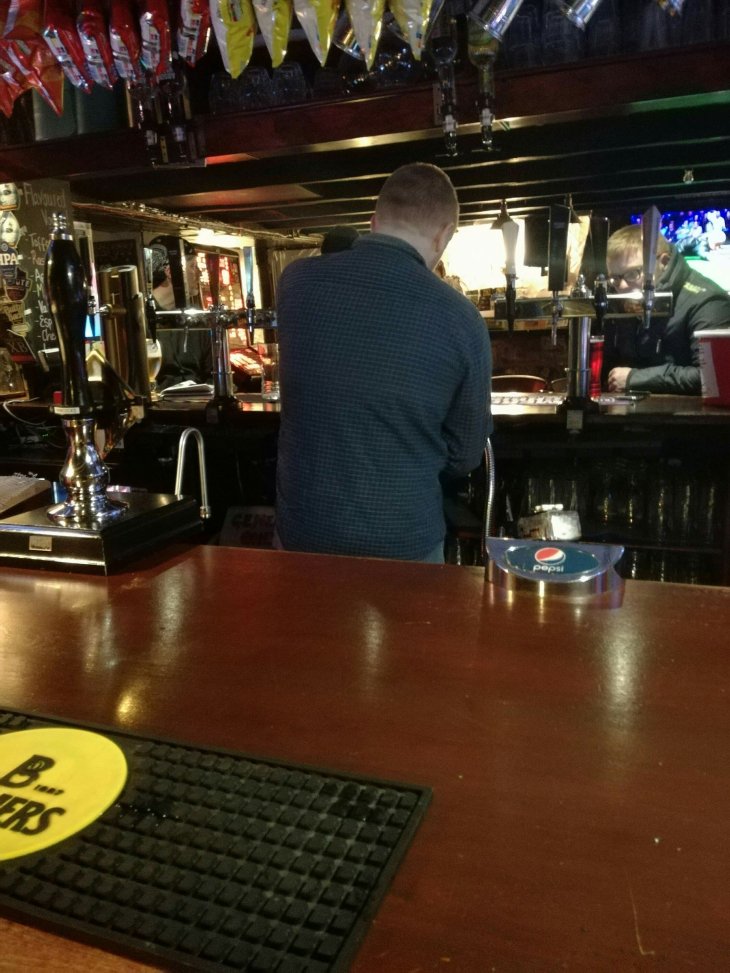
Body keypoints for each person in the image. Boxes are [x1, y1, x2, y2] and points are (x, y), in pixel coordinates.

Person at [275, 162, 492, 562]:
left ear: (373, 223)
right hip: (404, 541)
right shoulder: (462, 318)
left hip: (304, 535)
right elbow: (465, 455)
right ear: (444, 235)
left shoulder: (296, 283)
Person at [604, 223, 730, 395]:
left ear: (663, 262)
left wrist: (635, 378)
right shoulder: (623, 297)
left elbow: (711, 376)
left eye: (633, 274)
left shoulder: (708, 302)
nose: (622, 286)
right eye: (615, 278)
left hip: (689, 411)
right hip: (636, 408)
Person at [148, 237, 213, 390]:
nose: (199, 273)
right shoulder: (141, 318)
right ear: (171, 272)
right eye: (193, 266)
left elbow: (213, 373)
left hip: (199, 401)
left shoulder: (197, 319)